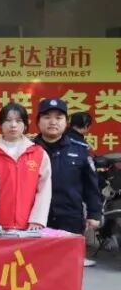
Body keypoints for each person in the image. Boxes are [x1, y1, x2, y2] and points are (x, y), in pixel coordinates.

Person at [33, 98, 100, 266]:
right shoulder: (29, 149)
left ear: (66, 122)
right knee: (37, 267)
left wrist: (94, 214)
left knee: (68, 268)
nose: (53, 122)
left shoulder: (80, 149)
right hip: (37, 219)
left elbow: (91, 185)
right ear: (38, 122)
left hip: (70, 217)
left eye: (58, 117)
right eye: (47, 117)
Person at [0, 103, 51, 231]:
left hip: (29, 226)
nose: (13, 125)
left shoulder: (38, 153)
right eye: (8, 120)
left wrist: (37, 219)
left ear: (25, 125)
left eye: (19, 121)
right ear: (0, 125)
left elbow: (44, 189)